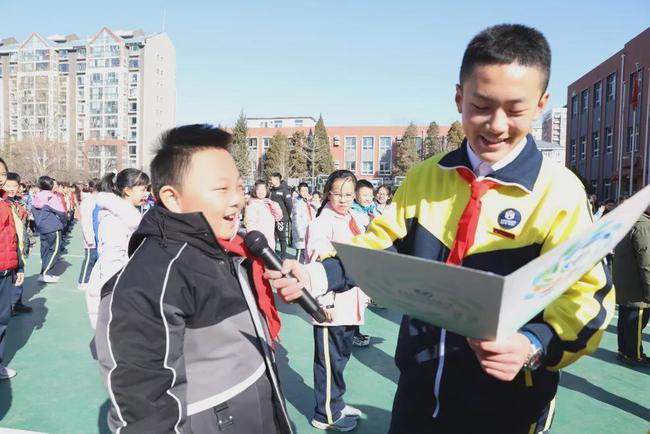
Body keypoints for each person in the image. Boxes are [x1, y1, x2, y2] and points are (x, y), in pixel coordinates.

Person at [267, 24, 613, 434]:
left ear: (541, 104)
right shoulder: (425, 178)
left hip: (509, 404)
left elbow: (586, 297)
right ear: (458, 98)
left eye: (516, 109)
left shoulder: (560, 192)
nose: (497, 124)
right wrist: (314, 273)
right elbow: (380, 248)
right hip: (418, 392)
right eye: (481, 105)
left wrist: (533, 344)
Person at [94, 124, 292, 433]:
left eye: (240, 187)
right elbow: (144, 412)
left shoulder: (228, 251)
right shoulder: (149, 281)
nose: (238, 199)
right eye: (221, 189)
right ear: (172, 198)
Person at [304, 170, 370, 432]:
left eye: (348, 194)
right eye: (337, 194)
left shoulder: (356, 217)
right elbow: (317, 265)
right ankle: (326, 415)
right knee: (329, 363)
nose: (343, 199)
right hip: (330, 306)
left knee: (340, 359)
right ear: (328, 193)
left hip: (351, 303)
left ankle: (337, 403)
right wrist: (325, 303)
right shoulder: (320, 223)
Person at [85, 169, 149, 329]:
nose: (146, 194)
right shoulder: (116, 220)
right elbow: (112, 261)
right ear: (127, 191)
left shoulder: (127, 216)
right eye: (143, 189)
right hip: (117, 287)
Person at [613, 206, 650, 367]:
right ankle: (633, 355)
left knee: (625, 320)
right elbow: (646, 260)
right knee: (636, 321)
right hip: (637, 285)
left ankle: (623, 351)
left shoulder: (630, 219)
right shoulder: (643, 225)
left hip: (625, 281)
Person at [0, 159, 24, 379]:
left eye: (3, 173)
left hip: (6, 270)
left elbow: (12, 237)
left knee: (2, 319)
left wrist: (19, 266)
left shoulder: (6, 202)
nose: (1, 177)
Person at [2, 172, 32, 314]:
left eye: (15, 186)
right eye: (8, 185)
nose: (11, 188)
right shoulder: (4, 202)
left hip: (21, 245)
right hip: (9, 246)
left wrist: (29, 243)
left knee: (20, 273)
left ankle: (17, 302)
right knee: (9, 278)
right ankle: (10, 305)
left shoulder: (20, 202)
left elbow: (26, 226)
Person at [32, 176, 67, 283]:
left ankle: (43, 272)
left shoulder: (36, 196)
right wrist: (64, 222)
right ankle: (45, 273)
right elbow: (61, 212)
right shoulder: (51, 197)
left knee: (45, 250)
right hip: (53, 227)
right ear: (50, 185)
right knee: (55, 250)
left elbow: (33, 210)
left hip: (42, 228)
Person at [245, 179, 283, 247]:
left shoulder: (269, 203)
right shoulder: (252, 204)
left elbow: (279, 216)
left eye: (263, 189)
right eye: (259, 189)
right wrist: (254, 240)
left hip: (270, 241)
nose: (261, 192)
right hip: (258, 242)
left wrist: (272, 204)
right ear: (255, 191)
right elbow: (250, 224)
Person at [78, 179, 100, 290]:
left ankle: (90, 279)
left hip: (97, 235)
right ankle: (83, 281)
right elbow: (86, 221)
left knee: (95, 258)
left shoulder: (96, 200)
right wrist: (89, 237)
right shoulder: (88, 202)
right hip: (90, 236)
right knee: (89, 259)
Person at [269, 173, 292, 260]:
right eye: (271, 179)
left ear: (278, 179)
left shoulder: (284, 191)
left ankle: (283, 256)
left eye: (273, 179)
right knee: (273, 237)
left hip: (281, 219)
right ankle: (274, 252)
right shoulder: (271, 191)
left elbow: (289, 205)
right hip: (272, 219)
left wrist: (286, 216)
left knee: (282, 237)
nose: (271, 181)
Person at [291, 182, 315, 263]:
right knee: (301, 255)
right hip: (301, 234)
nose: (305, 192)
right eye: (303, 190)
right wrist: (300, 235)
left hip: (310, 232)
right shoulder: (297, 203)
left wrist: (311, 201)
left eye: (306, 190)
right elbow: (296, 220)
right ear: (299, 191)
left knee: (308, 254)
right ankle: (297, 272)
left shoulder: (309, 202)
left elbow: (317, 210)